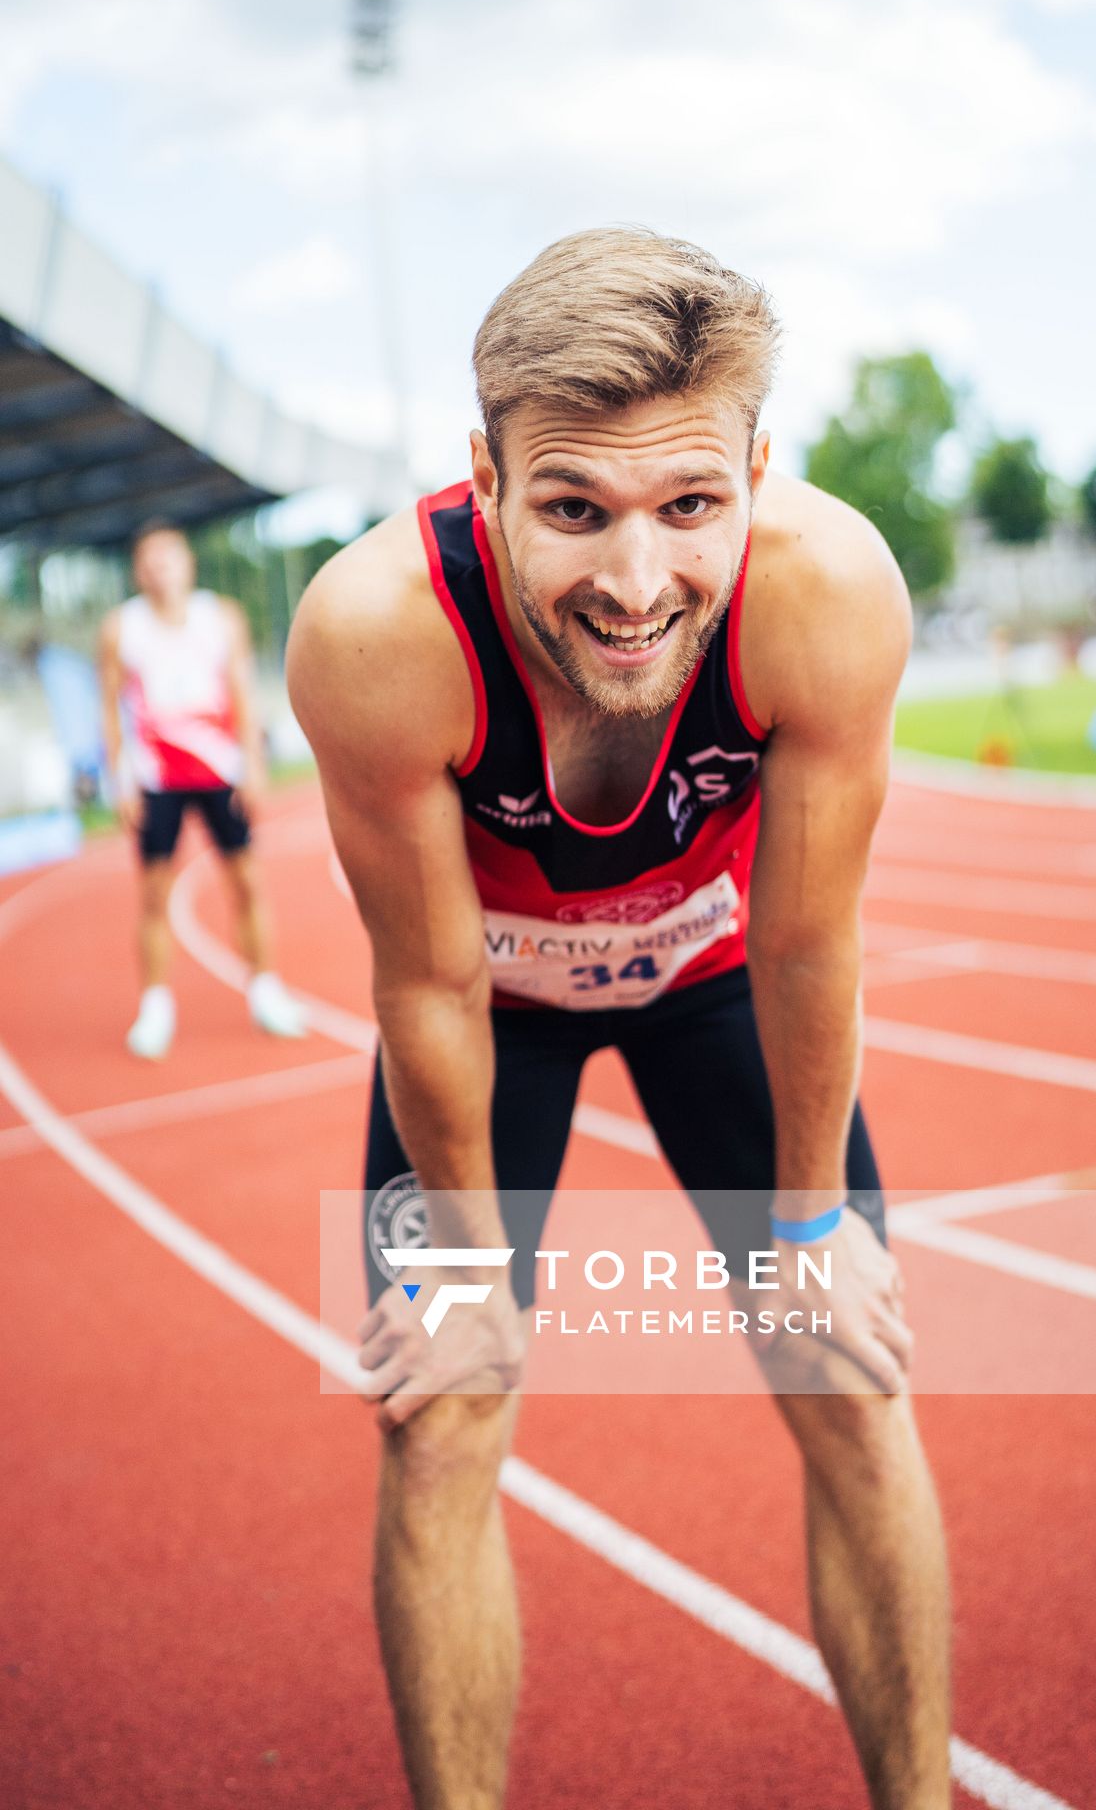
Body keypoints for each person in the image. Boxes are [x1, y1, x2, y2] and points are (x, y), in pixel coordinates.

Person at [287, 230, 950, 1809]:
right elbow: (429, 983)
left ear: (759, 471)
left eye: (691, 507)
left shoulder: (830, 592)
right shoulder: (376, 629)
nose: (637, 584)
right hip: (489, 1005)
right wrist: (460, 1265)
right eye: (573, 508)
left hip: (716, 974)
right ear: (486, 475)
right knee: (438, 1410)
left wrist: (805, 1231)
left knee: (847, 1372)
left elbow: (806, 944)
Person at [99, 519, 307, 1058]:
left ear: (188, 562)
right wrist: (118, 780)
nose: (160, 568)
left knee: (247, 883)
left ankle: (266, 992)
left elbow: (242, 689)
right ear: (138, 571)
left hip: (220, 771)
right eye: (149, 559)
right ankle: (154, 1008)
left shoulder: (221, 618)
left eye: (169, 556)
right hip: (156, 779)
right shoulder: (122, 628)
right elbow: (109, 710)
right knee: (154, 895)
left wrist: (254, 764)